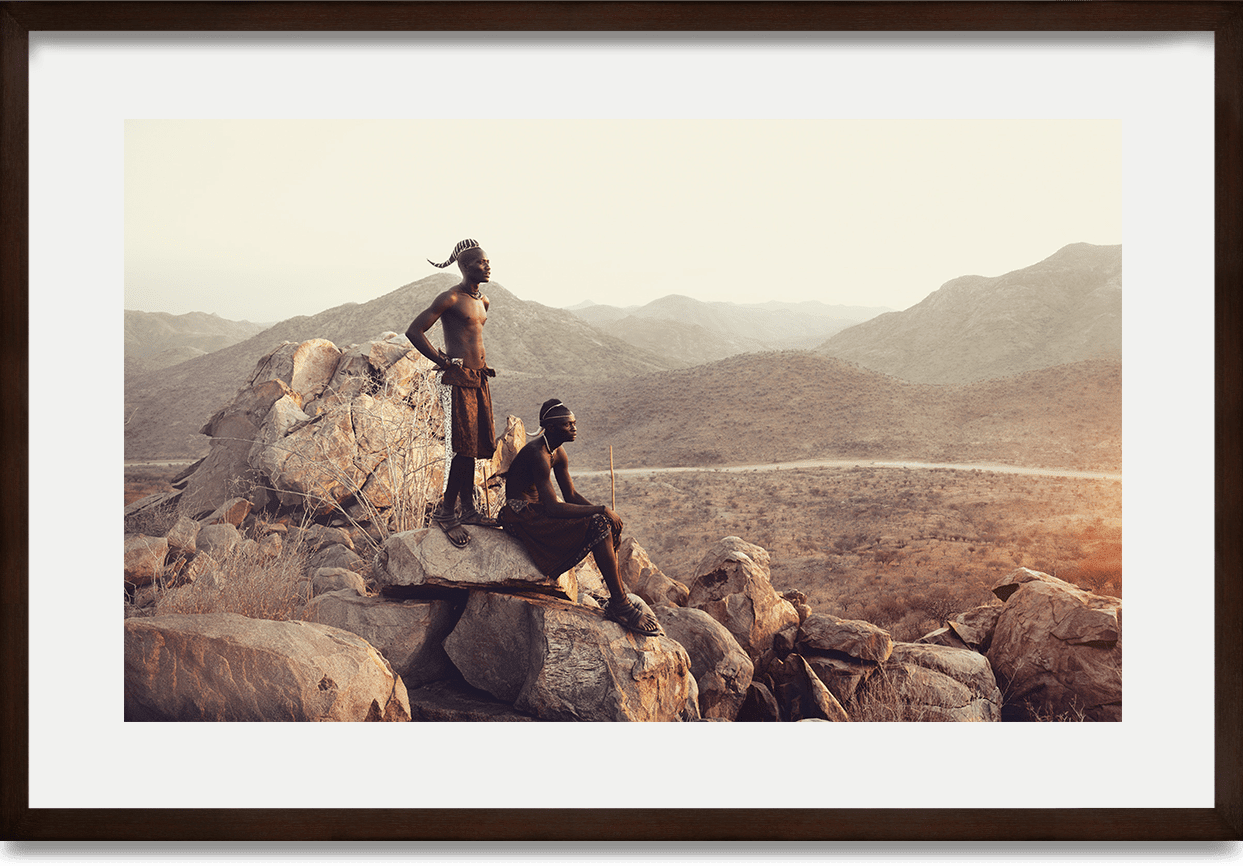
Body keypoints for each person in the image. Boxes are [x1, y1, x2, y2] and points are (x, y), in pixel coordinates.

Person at [499, 399, 662, 637]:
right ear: (552, 428)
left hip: (539, 510)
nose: (574, 428)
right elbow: (554, 508)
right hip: (521, 515)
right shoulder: (538, 454)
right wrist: (601, 510)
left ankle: (620, 600)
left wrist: (607, 515)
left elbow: (571, 495)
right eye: (568, 425)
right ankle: (620, 605)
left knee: (603, 524)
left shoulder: (557, 452)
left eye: (574, 423)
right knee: (598, 523)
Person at [407, 238, 498, 547]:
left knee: (472, 446)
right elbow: (414, 331)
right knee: (463, 447)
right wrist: (442, 361)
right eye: (481, 262)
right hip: (457, 380)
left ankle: (469, 509)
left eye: (488, 261)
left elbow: (472, 338)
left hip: (478, 379)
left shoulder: (483, 302)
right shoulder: (450, 298)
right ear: (464, 266)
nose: (487, 266)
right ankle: (447, 513)